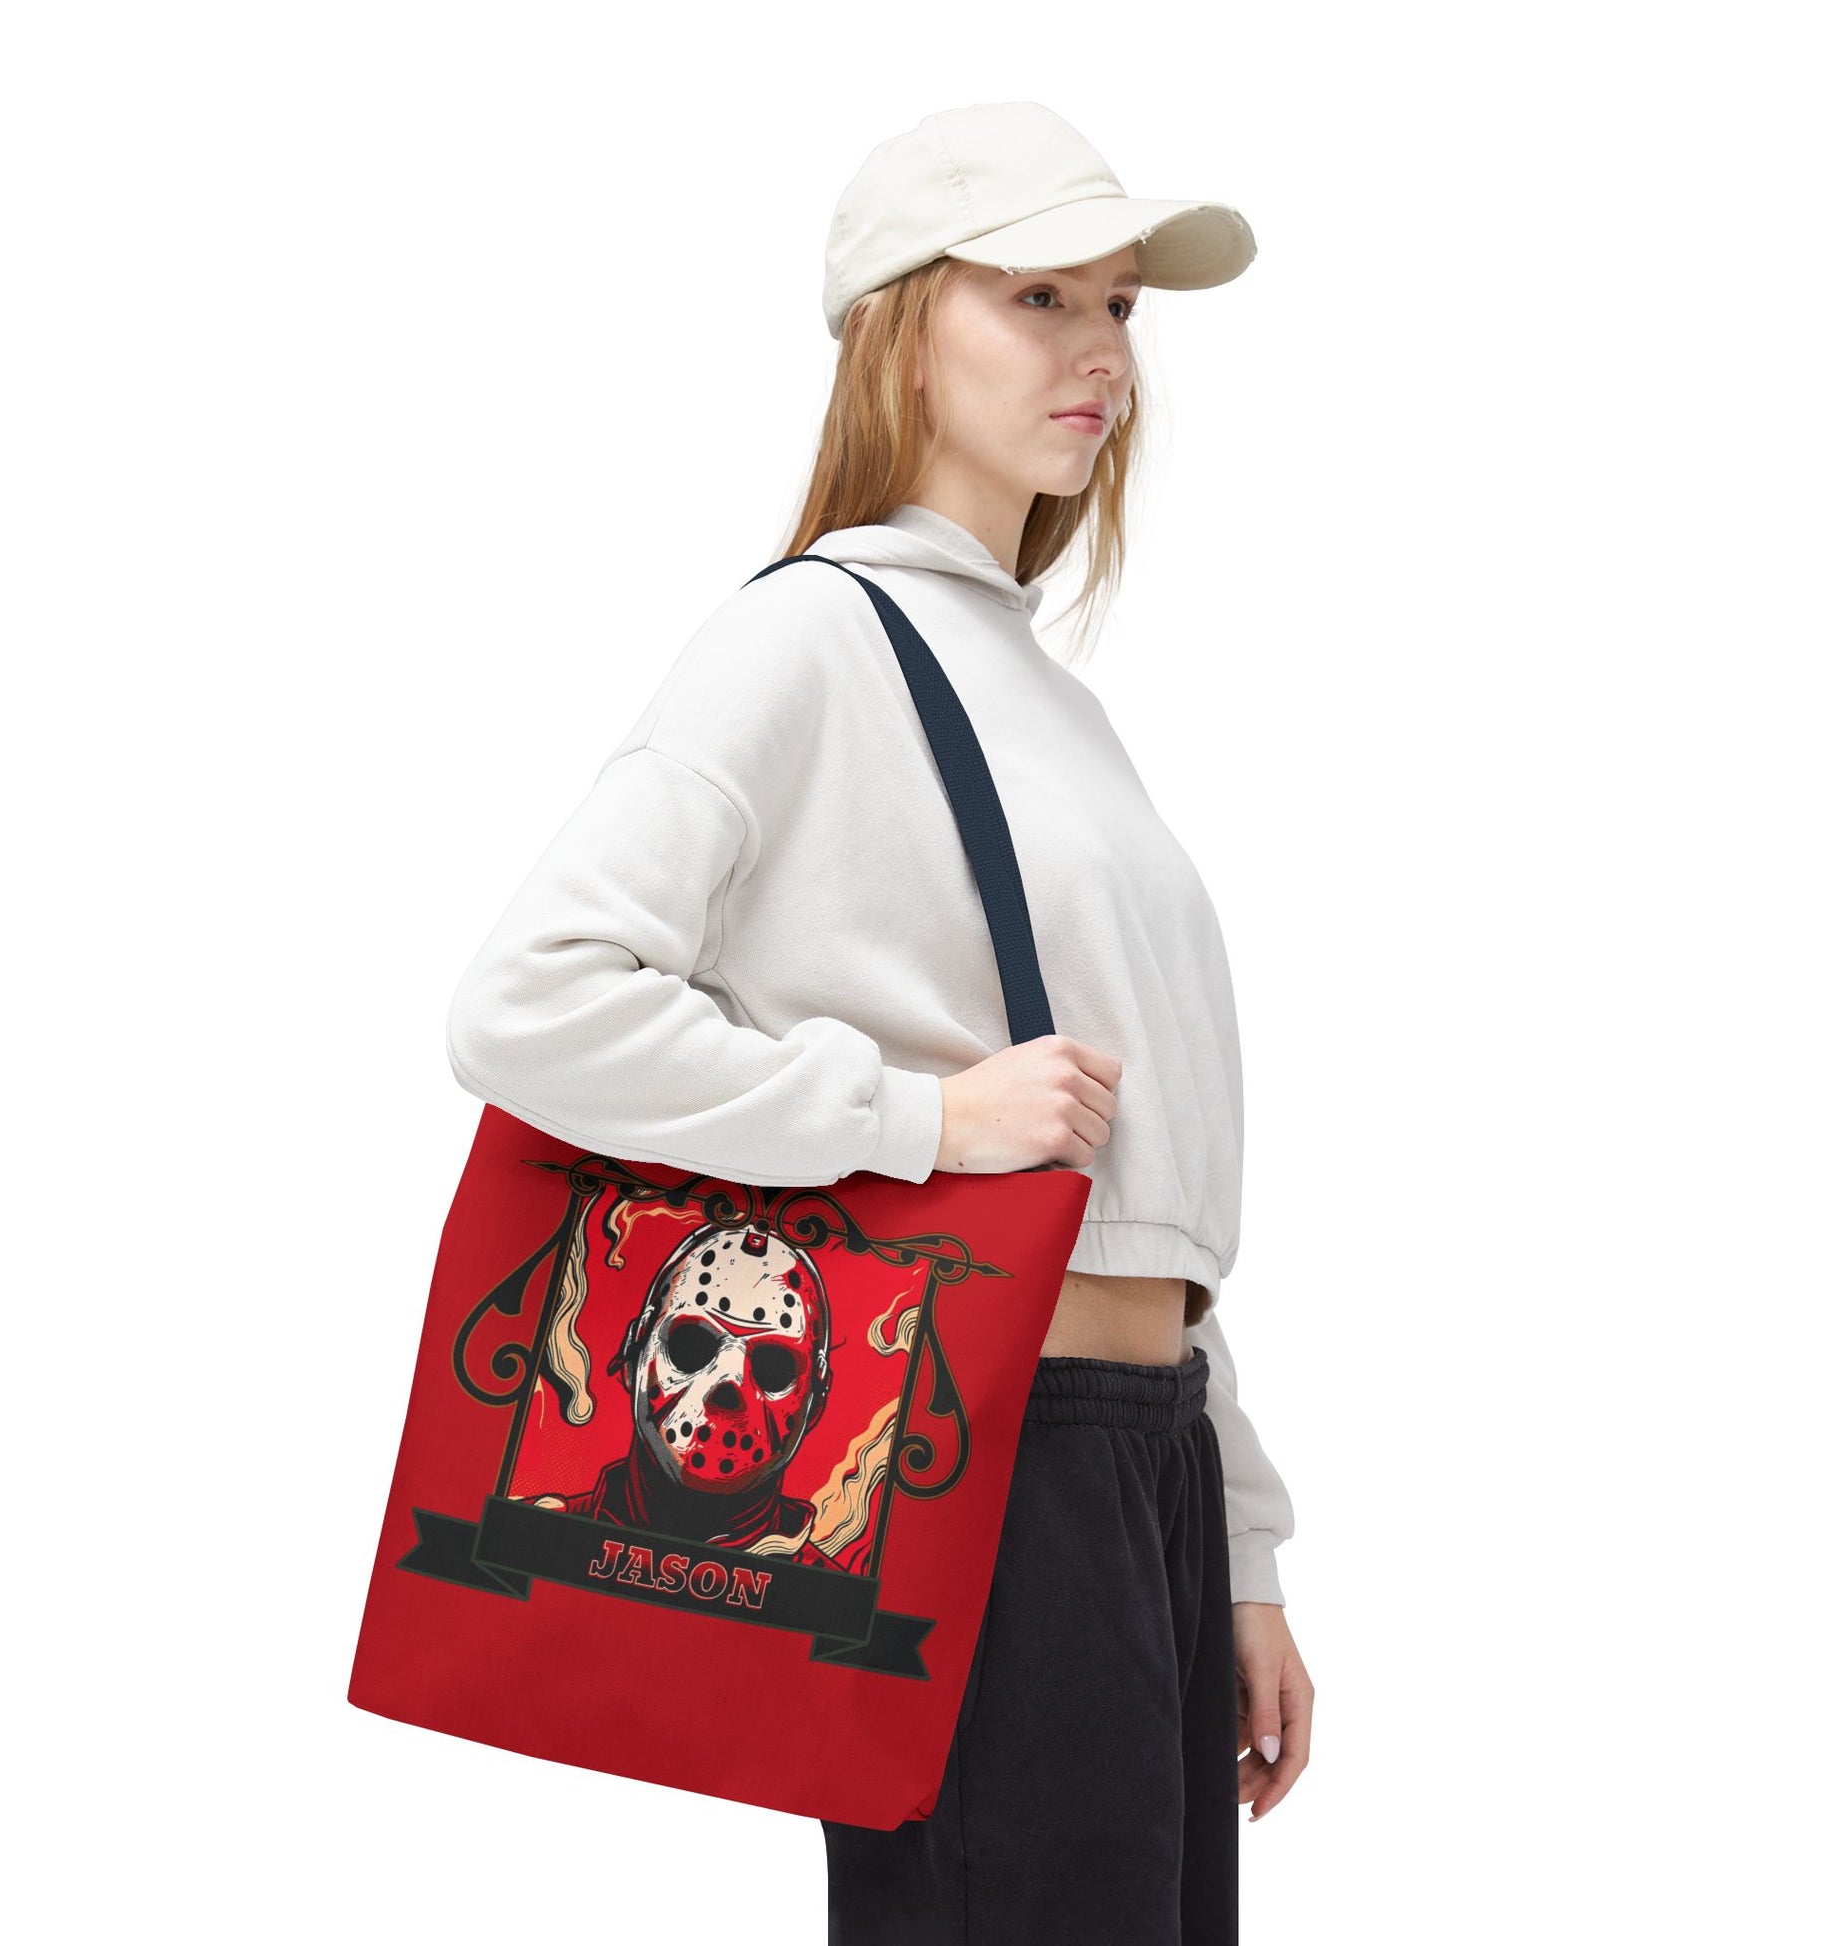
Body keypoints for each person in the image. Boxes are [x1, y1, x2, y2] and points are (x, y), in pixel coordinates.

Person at [444, 99, 1313, 1945]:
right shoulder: (807, 639)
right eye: (1038, 296)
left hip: (1133, 1454)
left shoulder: (1049, 699)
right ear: (901, 331)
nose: (1100, 348)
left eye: (1120, 305)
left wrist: (1235, 1541)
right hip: (980, 1458)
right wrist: (918, 1119)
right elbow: (528, 1003)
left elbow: (1134, 1181)